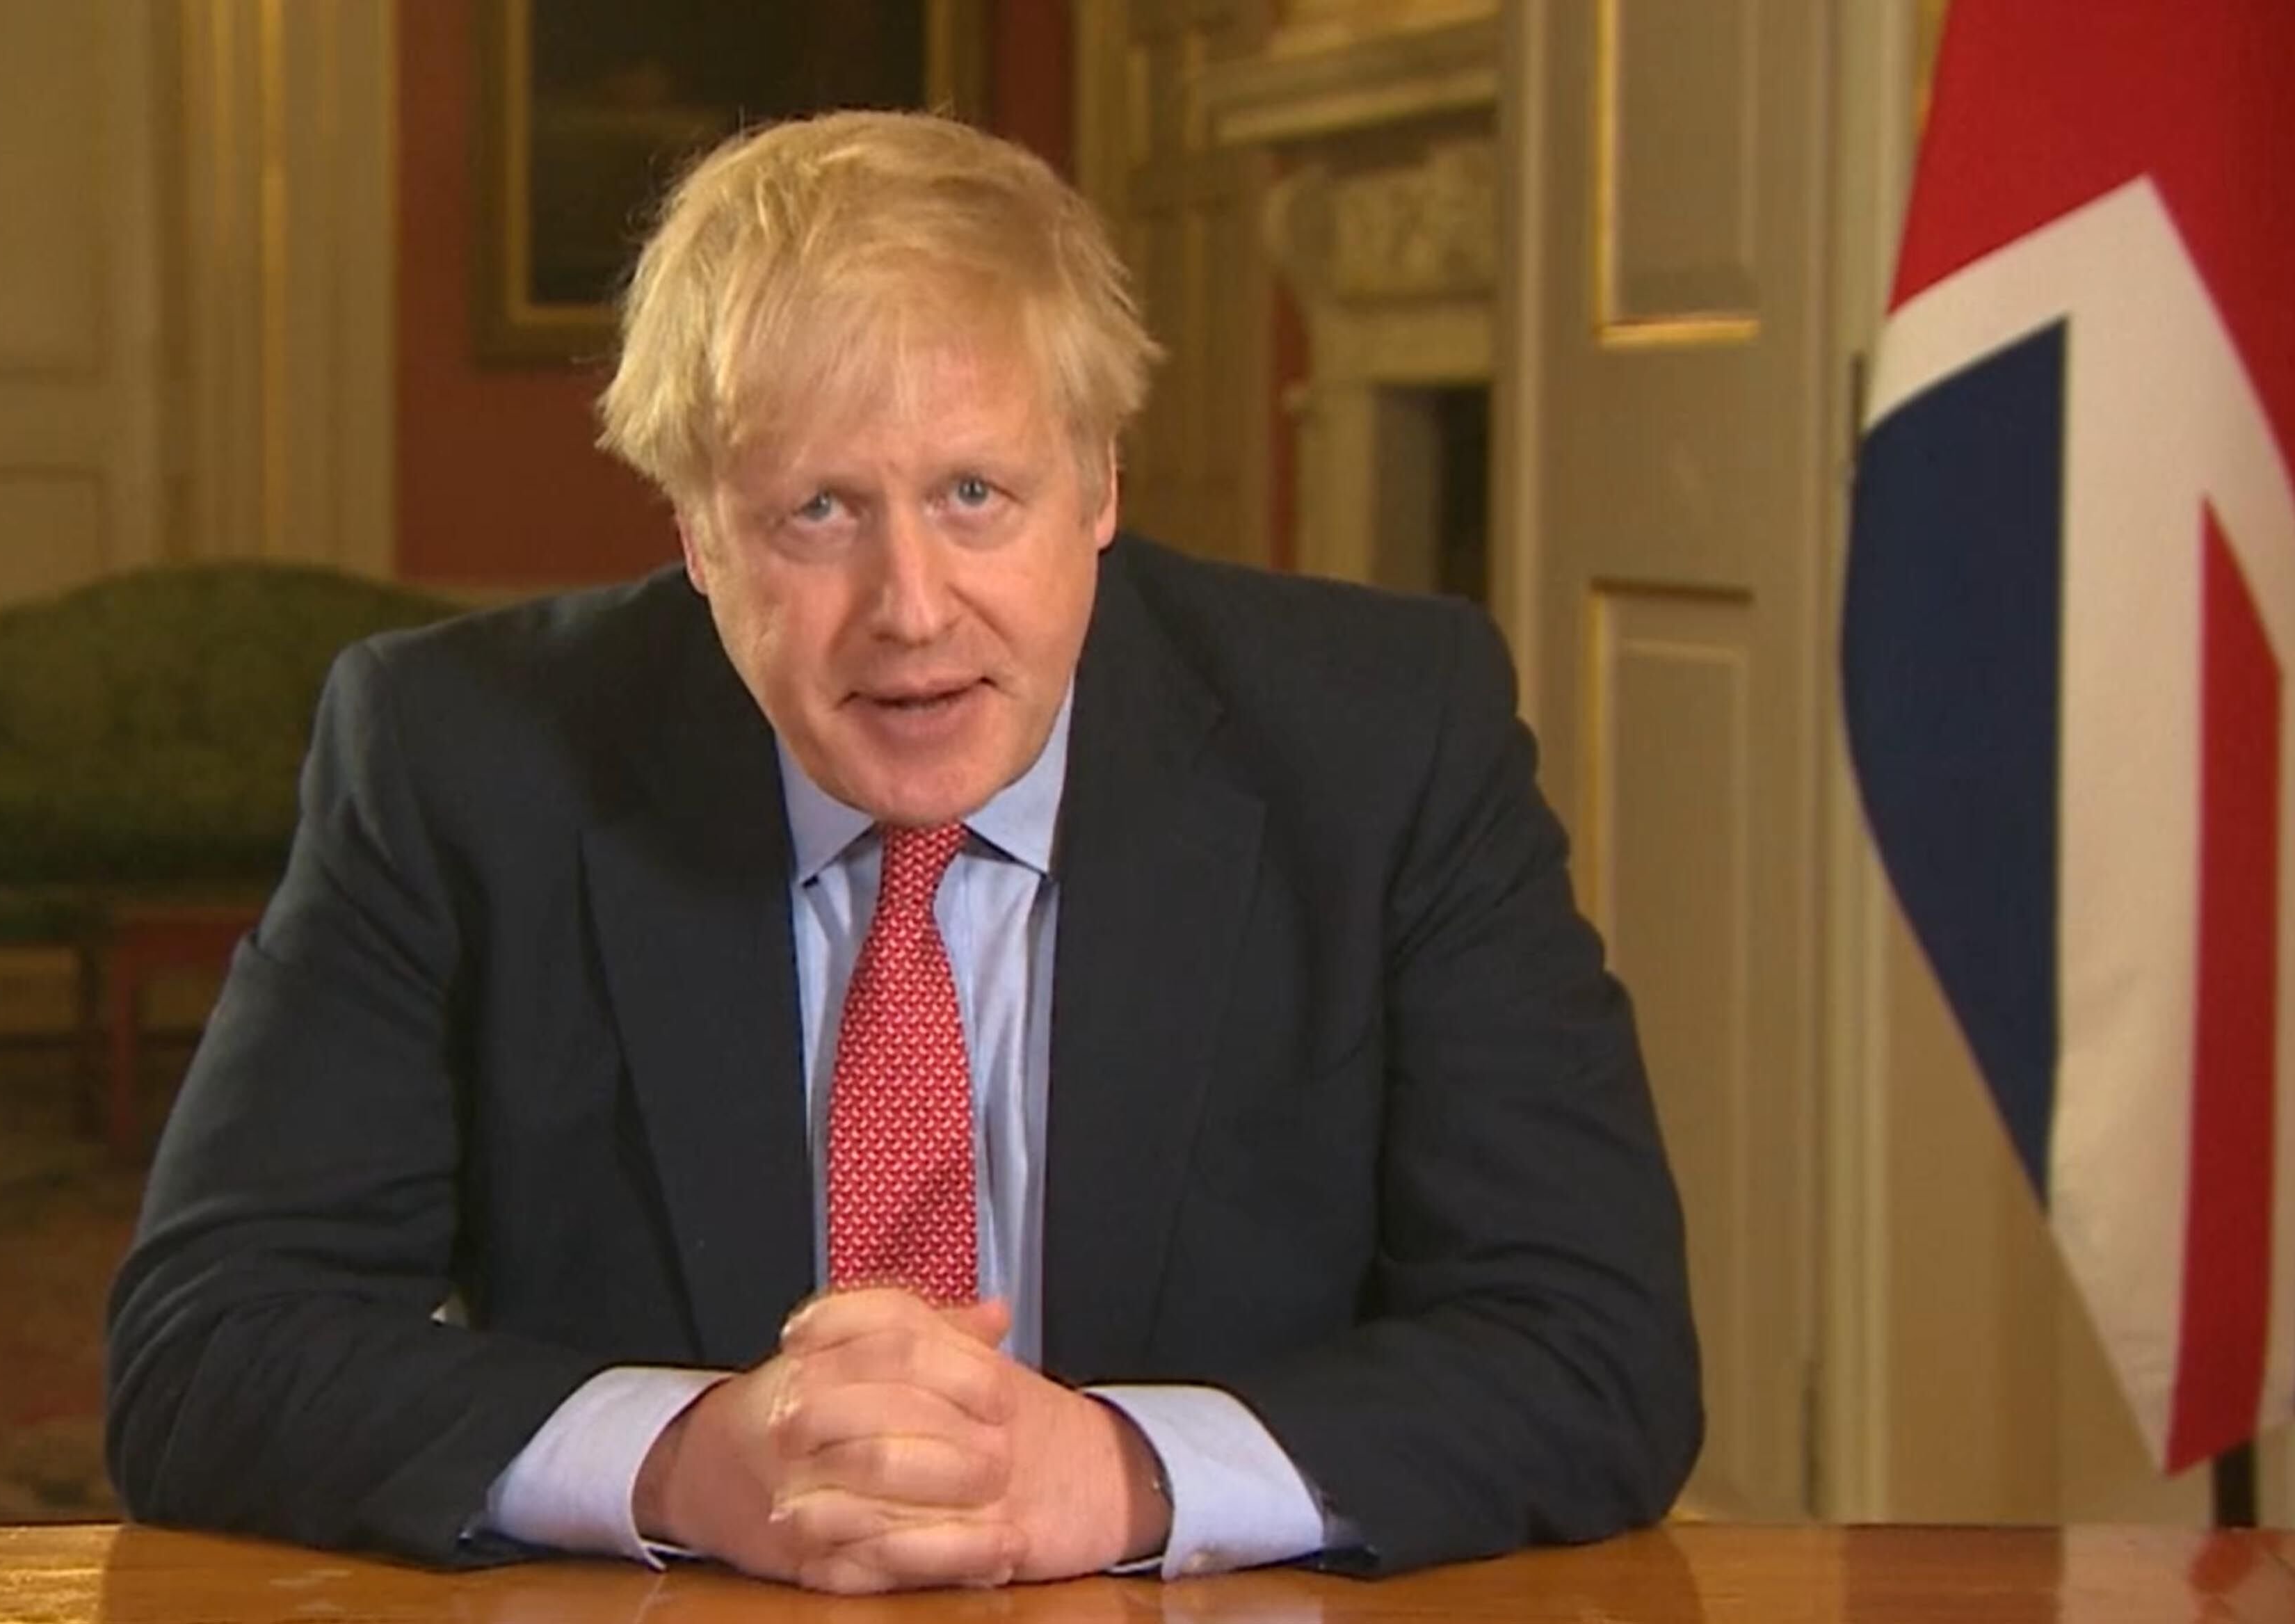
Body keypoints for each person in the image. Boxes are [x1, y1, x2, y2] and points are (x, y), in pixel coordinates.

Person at [104, 109, 1699, 1593]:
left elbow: (1593, 1350)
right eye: (816, 510)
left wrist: (1121, 1473)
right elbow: (206, 1345)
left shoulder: (1381, 742)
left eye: (973, 491)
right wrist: (683, 1456)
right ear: (693, 530)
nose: (913, 609)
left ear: (1097, 486)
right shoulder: (457, 759)